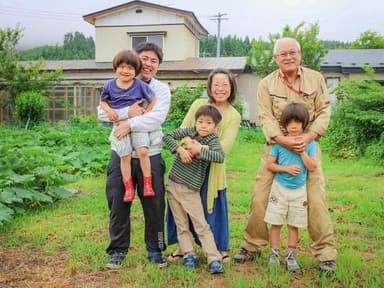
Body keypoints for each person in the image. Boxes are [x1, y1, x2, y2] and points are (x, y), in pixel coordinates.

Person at [233, 37, 337, 273]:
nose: (288, 57)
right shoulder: (266, 84)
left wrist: (307, 138)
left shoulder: (315, 79)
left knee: (317, 200)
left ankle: (326, 254)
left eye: (293, 52)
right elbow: (265, 117)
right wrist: (283, 140)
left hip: (307, 147)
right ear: (275, 58)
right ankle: (252, 245)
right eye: (283, 54)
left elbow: (324, 112)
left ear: (300, 54)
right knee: (260, 197)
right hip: (276, 148)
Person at [101, 42, 171, 269]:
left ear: (158, 66)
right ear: (135, 60)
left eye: (154, 60)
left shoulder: (160, 89)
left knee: (154, 202)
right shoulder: (118, 83)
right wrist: (126, 112)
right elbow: (101, 113)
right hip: (121, 152)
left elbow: (156, 117)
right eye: (145, 58)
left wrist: (128, 123)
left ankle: (155, 250)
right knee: (118, 200)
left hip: (149, 153)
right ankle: (118, 250)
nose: (149, 64)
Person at [166, 68, 241, 263]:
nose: (220, 88)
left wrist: (198, 147)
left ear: (231, 87)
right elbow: (184, 131)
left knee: (210, 210)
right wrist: (184, 149)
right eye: (216, 84)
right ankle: (184, 248)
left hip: (212, 169)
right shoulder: (199, 104)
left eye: (225, 84)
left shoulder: (233, 115)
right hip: (187, 165)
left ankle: (218, 248)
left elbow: (224, 148)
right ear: (210, 86)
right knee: (182, 206)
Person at [163, 105, 225, 274]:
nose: (203, 126)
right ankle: (189, 254)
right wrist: (180, 149)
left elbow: (220, 156)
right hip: (173, 184)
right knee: (181, 224)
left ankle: (213, 258)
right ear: (195, 122)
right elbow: (167, 136)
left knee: (201, 225)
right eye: (200, 122)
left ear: (215, 127)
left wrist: (199, 150)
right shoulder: (189, 132)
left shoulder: (212, 141)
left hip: (190, 190)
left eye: (208, 123)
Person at [264, 102, 317, 272]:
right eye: (289, 123)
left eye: (297, 122)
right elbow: (270, 165)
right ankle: (274, 254)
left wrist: (302, 152)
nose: (293, 126)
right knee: (276, 223)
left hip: (299, 191)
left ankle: (291, 256)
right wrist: (285, 168)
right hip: (279, 189)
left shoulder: (311, 144)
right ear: (284, 125)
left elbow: (312, 167)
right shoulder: (279, 144)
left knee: (294, 225)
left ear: (304, 123)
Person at [99, 49, 157, 202]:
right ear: (115, 68)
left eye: (130, 68)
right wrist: (109, 110)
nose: (125, 71)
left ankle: (147, 183)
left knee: (143, 151)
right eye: (122, 67)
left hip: (137, 125)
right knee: (124, 156)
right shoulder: (109, 85)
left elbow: (153, 99)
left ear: (136, 71)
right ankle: (129, 188)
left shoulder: (139, 85)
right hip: (119, 126)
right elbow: (102, 102)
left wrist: (145, 112)